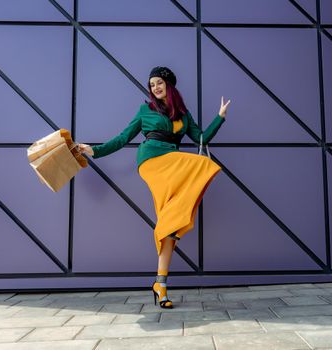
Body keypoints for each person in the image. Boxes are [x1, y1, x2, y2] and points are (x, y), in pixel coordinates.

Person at [78, 66, 230, 308]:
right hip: (151, 161)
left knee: (169, 223)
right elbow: (123, 137)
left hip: (173, 164)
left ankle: (161, 285)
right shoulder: (145, 110)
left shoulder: (183, 114)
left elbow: (201, 138)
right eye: (152, 85)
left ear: (169, 84)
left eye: (159, 83)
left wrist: (220, 117)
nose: (155, 88)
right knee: (199, 163)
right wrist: (95, 150)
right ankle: (163, 260)